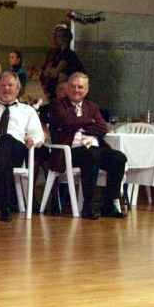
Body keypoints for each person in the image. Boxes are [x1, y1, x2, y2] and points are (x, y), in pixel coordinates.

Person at [47, 72, 126, 220]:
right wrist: (90, 121)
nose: (76, 90)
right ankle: (88, 206)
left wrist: (81, 124)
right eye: (73, 86)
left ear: (87, 90)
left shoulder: (92, 106)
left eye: (80, 87)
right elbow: (67, 121)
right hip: (69, 151)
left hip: (93, 148)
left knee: (119, 158)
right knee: (91, 155)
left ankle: (109, 204)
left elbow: (103, 128)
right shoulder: (58, 104)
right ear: (67, 88)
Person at [0, 71, 45, 221]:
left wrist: (33, 140)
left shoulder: (27, 110)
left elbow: (39, 136)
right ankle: (6, 208)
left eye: (10, 85)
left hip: (17, 151)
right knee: (4, 164)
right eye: (3, 85)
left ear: (17, 89)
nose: (6, 89)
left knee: (7, 139)